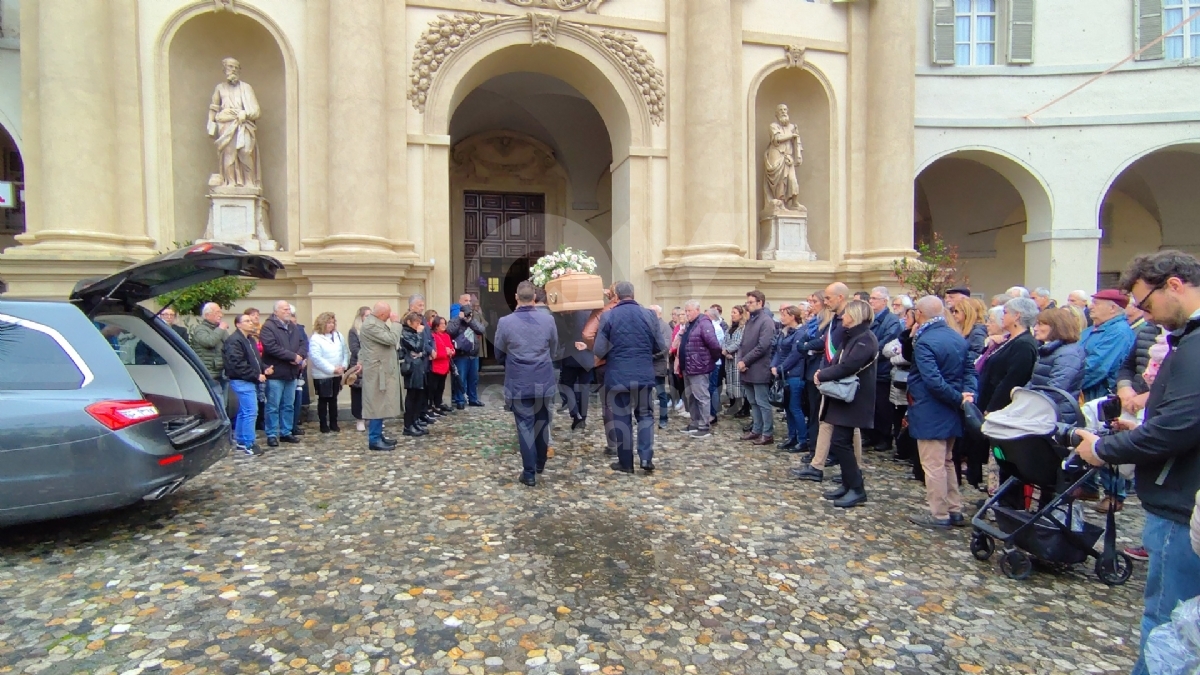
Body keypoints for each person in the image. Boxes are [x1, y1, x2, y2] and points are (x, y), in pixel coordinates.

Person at [1073, 251, 1200, 675]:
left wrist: (1106, 450)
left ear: (1175, 285)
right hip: (1180, 489)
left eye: (1146, 303)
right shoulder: (1187, 338)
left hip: (1181, 500)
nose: (1146, 316)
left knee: (1168, 624)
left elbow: (1179, 426)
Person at [905, 296, 976, 529]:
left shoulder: (925, 340)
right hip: (950, 407)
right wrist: (966, 395)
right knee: (946, 461)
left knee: (934, 465)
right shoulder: (956, 336)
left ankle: (939, 514)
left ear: (920, 314)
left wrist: (959, 399)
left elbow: (932, 381)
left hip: (931, 408)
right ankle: (954, 509)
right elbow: (969, 372)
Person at [813, 299, 877, 508]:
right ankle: (849, 484)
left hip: (854, 398)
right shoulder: (852, 337)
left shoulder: (865, 339)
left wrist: (822, 375)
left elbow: (849, 365)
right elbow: (838, 361)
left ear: (856, 315)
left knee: (841, 442)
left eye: (847, 314)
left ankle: (857, 488)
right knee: (841, 441)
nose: (843, 317)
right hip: (844, 398)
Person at [595, 281, 664, 474]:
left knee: (621, 418)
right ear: (633, 294)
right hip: (643, 373)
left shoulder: (608, 316)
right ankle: (645, 458)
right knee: (645, 415)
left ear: (616, 295)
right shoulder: (649, 315)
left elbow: (599, 349)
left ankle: (626, 463)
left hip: (618, 375)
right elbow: (660, 345)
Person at [494, 281, 559, 486]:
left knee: (524, 426)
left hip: (519, 380)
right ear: (534, 298)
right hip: (543, 378)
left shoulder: (505, 322)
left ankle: (529, 472)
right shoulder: (548, 320)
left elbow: (498, 353)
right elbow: (554, 348)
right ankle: (540, 463)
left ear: (516, 297)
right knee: (542, 422)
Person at [976, 298, 1039, 414]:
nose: (1002, 317)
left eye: (1005, 313)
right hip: (986, 400)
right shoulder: (1008, 339)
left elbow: (1012, 381)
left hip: (1001, 410)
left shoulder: (1024, 344)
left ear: (1017, 316)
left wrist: (991, 409)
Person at [259, 300, 307, 447]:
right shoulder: (268, 327)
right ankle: (272, 433)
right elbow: (271, 347)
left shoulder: (293, 326)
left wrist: (299, 356)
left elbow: (303, 343)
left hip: (291, 372)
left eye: (289, 309)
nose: (288, 312)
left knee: (288, 405)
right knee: (273, 405)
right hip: (276, 372)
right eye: (285, 309)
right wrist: (292, 357)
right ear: (276, 311)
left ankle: (286, 432)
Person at [223, 313, 271, 455]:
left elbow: (255, 360)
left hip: (248, 379)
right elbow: (238, 364)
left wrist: (264, 368)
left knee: (244, 411)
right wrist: (256, 375)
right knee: (251, 411)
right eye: (247, 321)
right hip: (242, 380)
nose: (251, 323)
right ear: (238, 324)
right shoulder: (234, 341)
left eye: (251, 321)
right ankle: (249, 443)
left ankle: (241, 440)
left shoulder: (249, 339)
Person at [359, 303, 403, 450]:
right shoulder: (371, 325)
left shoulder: (375, 323)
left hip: (381, 370)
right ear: (383, 315)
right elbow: (391, 339)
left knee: (380, 403)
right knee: (376, 405)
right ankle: (374, 439)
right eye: (388, 313)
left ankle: (378, 435)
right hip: (376, 372)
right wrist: (396, 323)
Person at [1029, 308, 1086, 424]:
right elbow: (1035, 382)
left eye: (1040, 324)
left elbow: (1056, 390)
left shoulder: (1068, 354)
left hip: (1058, 415)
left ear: (1057, 326)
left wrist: (1026, 401)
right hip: (1045, 411)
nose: (1035, 328)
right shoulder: (1050, 350)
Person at [1080, 289, 1136, 402]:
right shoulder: (1091, 330)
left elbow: (1097, 367)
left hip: (1096, 396)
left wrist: (1070, 384)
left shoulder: (1119, 332)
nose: (1090, 306)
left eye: (1096, 303)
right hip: (1083, 393)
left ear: (1113, 308)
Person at [676, 300, 722, 439]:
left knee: (702, 397)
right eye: (686, 311)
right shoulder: (690, 325)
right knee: (691, 397)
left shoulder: (704, 323)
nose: (687, 314)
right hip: (688, 367)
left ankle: (704, 426)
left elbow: (714, 345)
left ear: (697, 310)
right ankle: (695, 423)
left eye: (689, 311)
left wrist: (708, 360)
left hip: (699, 367)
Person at [737, 290, 776, 445]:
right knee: (753, 401)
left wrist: (745, 361)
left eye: (750, 302)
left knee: (762, 402)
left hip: (759, 368)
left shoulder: (766, 321)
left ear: (760, 303)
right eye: (747, 302)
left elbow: (763, 346)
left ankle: (767, 433)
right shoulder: (750, 321)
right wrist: (740, 360)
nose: (748, 305)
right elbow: (743, 343)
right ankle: (756, 429)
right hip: (747, 368)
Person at [866, 287, 902, 452]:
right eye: (871, 298)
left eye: (874, 298)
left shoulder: (891, 321)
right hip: (871, 368)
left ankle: (884, 437)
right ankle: (872, 435)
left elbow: (886, 344)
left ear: (884, 301)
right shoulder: (871, 319)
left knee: (883, 407)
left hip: (882, 369)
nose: (871, 301)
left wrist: (867, 353)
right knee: (872, 406)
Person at [771, 306, 807, 452]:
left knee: (795, 407)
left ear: (793, 316)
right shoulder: (784, 332)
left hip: (795, 375)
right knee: (788, 408)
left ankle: (803, 439)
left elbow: (795, 354)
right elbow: (777, 351)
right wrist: (774, 365)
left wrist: (780, 368)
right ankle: (792, 437)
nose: (781, 317)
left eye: (784, 314)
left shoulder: (800, 332)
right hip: (784, 374)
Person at [309, 311, 349, 433]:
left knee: (334, 399)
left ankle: (334, 422)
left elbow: (345, 351)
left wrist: (343, 365)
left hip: (336, 373)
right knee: (323, 399)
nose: (331, 325)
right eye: (328, 323)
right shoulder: (316, 338)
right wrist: (332, 369)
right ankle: (323, 424)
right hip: (322, 375)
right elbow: (316, 358)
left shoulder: (338, 335)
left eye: (333, 322)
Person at [558, 308, 595, 431]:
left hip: (571, 353)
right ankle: (583, 418)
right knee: (584, 387)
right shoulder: (593, 312)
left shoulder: (570, 312)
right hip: (588, 354)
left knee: (566, 384)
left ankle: (575, 414)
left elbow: (564, 332)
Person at [448, 293, 486, 409]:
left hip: (473, 354)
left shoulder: (472, 317)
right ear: (460, 302)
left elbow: (481, 330)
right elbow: (450, 331)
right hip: (461, 354)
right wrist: (460, 319)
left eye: (469, 300)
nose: (469, 303)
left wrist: (470, 320)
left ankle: (473, 399)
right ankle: (460, 400)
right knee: (461, 378)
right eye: (466, 300)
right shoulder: (455, 318)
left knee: (473, 378)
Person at [191, 302, 230, 405]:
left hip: (223, 372)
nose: (220, 315)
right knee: (217, 403)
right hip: (210, 373)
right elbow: (209, 342)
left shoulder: (219, 329)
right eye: (217, 312)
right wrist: (221, 328)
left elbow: (229, 345)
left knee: (224, 404)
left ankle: (224, 420)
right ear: (207, 315)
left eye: (220, 312)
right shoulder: (200, 329)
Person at [400, 313, 430, 437]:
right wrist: (419, 334)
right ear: (409, 322)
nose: (419, 325)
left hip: (419, 366)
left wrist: (420, 352)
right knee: (412, 397)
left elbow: (422, 350)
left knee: (419, 396)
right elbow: (417, 347)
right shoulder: (406, 334)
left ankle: (415, 421)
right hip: (411, 368)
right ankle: (408, 425)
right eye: (416, 322)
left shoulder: (413, 333)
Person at [648, 305, 673, 430]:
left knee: (661, 393)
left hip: (658, 364)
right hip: (646, 365)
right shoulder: (648, 325)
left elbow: (665, 346)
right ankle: (647, 417)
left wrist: (650, 355)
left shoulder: (664, 327)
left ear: (659, 313)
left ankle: (663, 418)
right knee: (645, 394)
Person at [348, 306, 371, 432]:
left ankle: (371, 417)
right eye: (367, 316)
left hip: (372, 365)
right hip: (359, 364)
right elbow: (354, 348)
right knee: (358, 394)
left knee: (371, 393)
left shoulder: (373, 330)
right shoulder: (354, 331)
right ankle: (359, 419)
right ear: (361, 317)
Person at [722, 305, 747, 418]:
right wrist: (725, 351)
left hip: (737, 358)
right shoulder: (729, 328)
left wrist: (728, 350)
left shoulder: (743, 328)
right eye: (731, 312)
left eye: (735, 312)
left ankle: (743, 408)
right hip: (728, 359)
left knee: (739, 384)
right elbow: (725, 340)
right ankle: (733, 406)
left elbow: (739, 342)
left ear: (741, 315)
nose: (732, 314)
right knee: (730, 383)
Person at [429, 317, 455, 414]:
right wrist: (446, 352)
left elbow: (452, 348)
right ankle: (431, 406)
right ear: (436, 325)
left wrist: (451, 352)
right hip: (436, 366)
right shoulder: (433, 336)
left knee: (441, 387)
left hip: (444, 366)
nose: (444, 325)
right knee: (433, 388)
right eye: (441, 324)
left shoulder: (446, 336)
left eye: (444, 323)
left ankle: (438, 404)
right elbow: (434, 353)